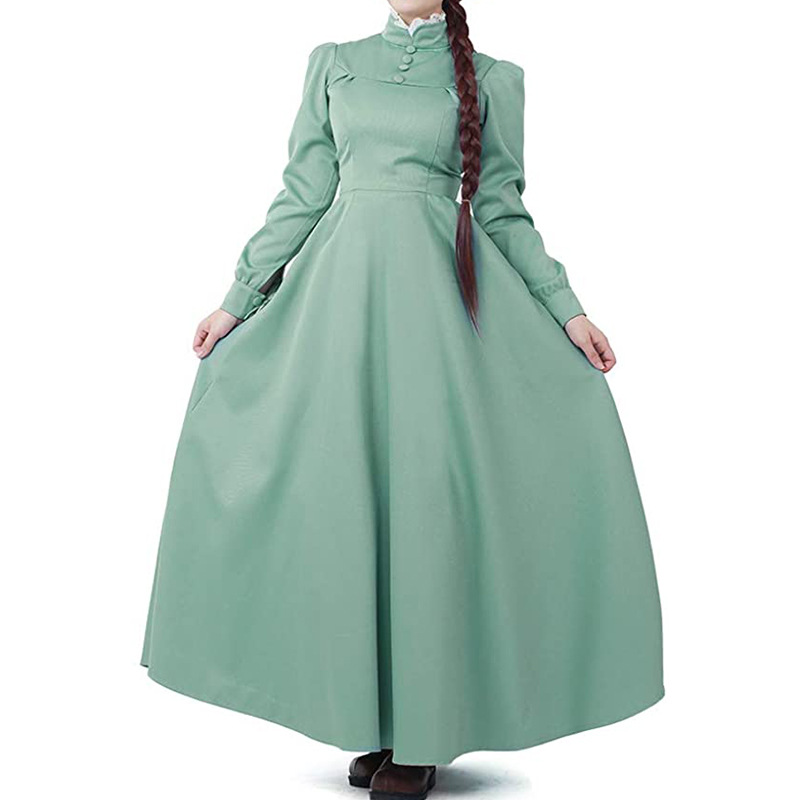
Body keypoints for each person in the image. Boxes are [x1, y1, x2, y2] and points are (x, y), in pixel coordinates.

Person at [140, 2, 664, 798]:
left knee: (426, 510)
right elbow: (303, 193)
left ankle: (424, 733)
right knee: (347, 508)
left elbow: (500, 209)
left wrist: (568, 311)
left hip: (441, 319)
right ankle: (379, 724)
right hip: (338, 313)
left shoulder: (493, 78)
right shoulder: (334, 61)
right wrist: (237, 300)